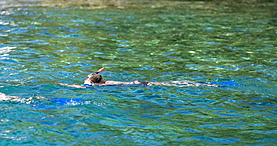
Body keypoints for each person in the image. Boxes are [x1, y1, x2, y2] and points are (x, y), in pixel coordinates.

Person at [59, 68, 218, 88]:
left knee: (173, 85)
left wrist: (63, 85)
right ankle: (204, 84)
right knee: (173, 83)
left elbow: (83, 85)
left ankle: (206, 85)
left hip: (139, 85)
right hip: (139, 82)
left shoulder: (97, 85)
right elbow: (93, 77)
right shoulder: (103, 82)